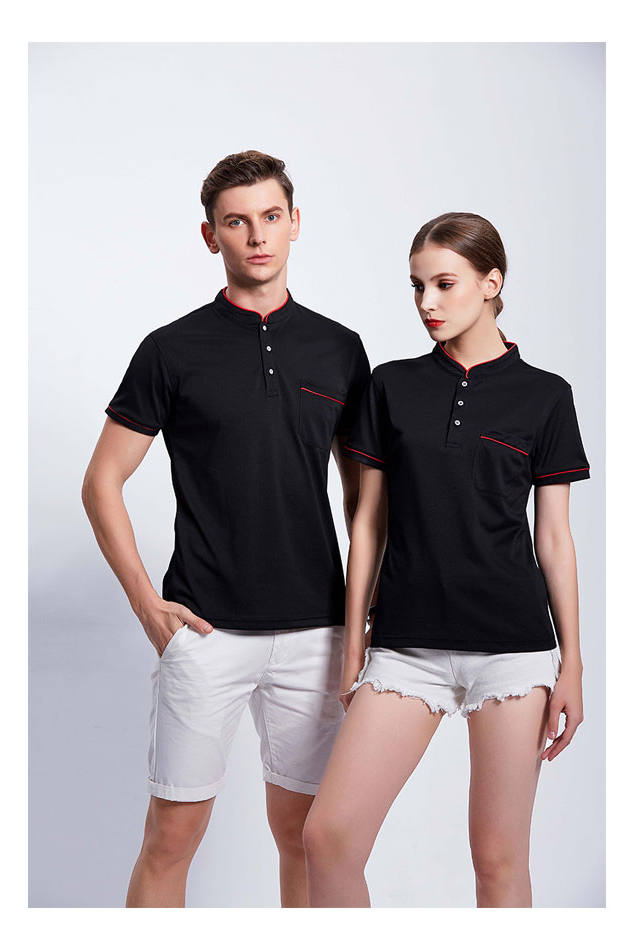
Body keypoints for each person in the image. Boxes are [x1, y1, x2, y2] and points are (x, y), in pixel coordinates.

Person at [81, 150, 372, 907]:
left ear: (295, 222)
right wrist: (147, 604)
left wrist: (364, 607)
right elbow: (101, 481)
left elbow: (363, 498)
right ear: (211, 236)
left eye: (271, 216)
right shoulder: (171, 349)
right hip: (204, 628)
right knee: (170, 839)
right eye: (237, 222)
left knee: (307, 838)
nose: (257, 235)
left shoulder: (340, 349)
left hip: (317, 631)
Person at [302, 212, 591, 908]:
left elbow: (554, 539)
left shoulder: (546, 395)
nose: (426, 302)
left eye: (444, 283)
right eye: (416, 285)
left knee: (498, 860)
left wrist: (572, 665)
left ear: (492, 283)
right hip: (406, 648)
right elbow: (368, 522)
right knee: (329, 838)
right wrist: (354, 645)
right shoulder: (391, 385)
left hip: (513, 650)